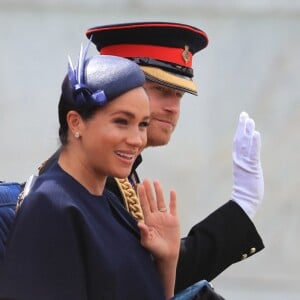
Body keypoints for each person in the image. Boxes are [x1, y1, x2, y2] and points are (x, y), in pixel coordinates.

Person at [34, 22, 264, 294]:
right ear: (114, 88)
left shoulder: (116, 172)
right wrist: (241, 207)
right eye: (161, 91)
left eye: (179, 95)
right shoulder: (87, 176)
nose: (173, 108)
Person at [0, 45, 181, 300]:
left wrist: (167, 259)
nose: (137, 139)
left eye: (142, 124)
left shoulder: (108, 203)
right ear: (76, 122)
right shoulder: (52, 206)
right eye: (121, 121)